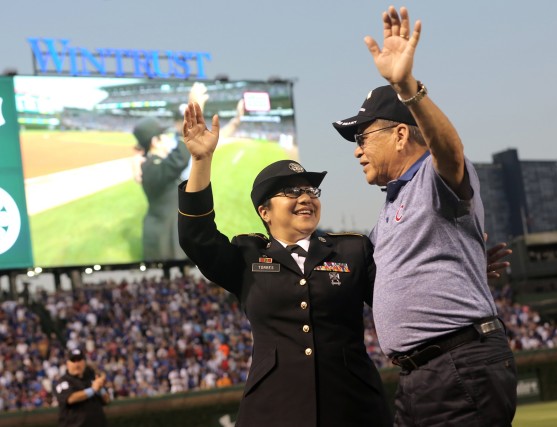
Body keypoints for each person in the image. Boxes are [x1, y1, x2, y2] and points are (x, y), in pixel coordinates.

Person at [332, 6, 517, 426]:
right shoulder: (391, 204)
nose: (357, 150)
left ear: (400, 134)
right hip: (423, 373)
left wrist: (407, 89)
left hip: (458, 362)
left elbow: (450, 153)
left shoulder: (435, 177)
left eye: (362, 136)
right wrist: (466, 268)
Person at [177, 101, 392, 427]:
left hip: (353, 407)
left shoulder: (352, 251)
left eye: (311, 190)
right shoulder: (247, 257)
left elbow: (400, 291)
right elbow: (196, 235)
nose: (306, 197)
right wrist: (200, 159)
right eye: (292, 191)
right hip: (273, 410)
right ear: (265, 212)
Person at [133, 116, 191, 262]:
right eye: (164, 135)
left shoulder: (154, 164)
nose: (168, 139)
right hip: (165, 241)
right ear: (155, 141)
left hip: (168, 234)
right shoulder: (151, 167)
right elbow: (180, 158)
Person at [54, 348, 110, 427]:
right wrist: (93, 389)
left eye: (79, 360)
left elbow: (107, 400)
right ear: (67, 364)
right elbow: (71, 398)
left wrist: (101, 388)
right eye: (73, 361)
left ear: (84, 362)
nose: (77, 364)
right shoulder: (63, 381)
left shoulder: (91, 377)